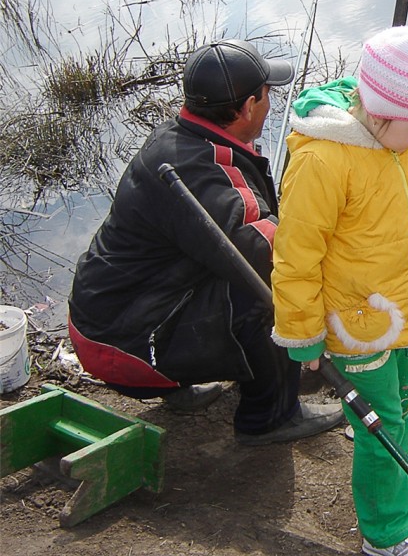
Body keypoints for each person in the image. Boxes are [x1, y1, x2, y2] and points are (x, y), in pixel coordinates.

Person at [271, 26, 408, 556]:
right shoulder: (323, 160)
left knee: (402, 402)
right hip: (354, 325)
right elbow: (295, 256)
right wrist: (301, 337)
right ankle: (388, 534)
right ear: (378, 111)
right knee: (380, 427)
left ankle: (400, 469)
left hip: (405, 312)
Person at [67, 39, 343, 445]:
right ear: (248, 107)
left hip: (101, 323)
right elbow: (280, 256)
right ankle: (270, 418)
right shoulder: (207, 171)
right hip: (121, 351)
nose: (270, 105)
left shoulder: (177, 137)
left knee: (244, 274)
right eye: (267, 95)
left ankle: (179, 381)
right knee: (279, 287)